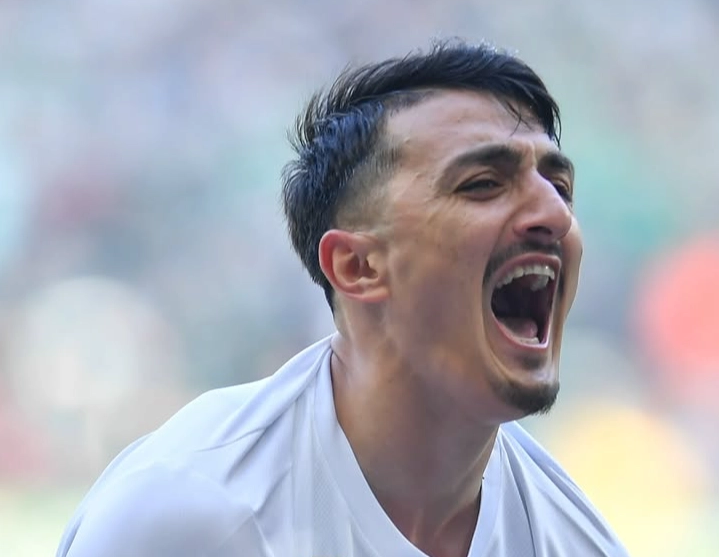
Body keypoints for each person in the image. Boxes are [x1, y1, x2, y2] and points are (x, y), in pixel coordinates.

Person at [56, 40, 629, 557]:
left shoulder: (573, 540)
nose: (556, 215)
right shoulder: (188, 518)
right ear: (357, 267)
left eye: (559, 187)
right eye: (482, 184)